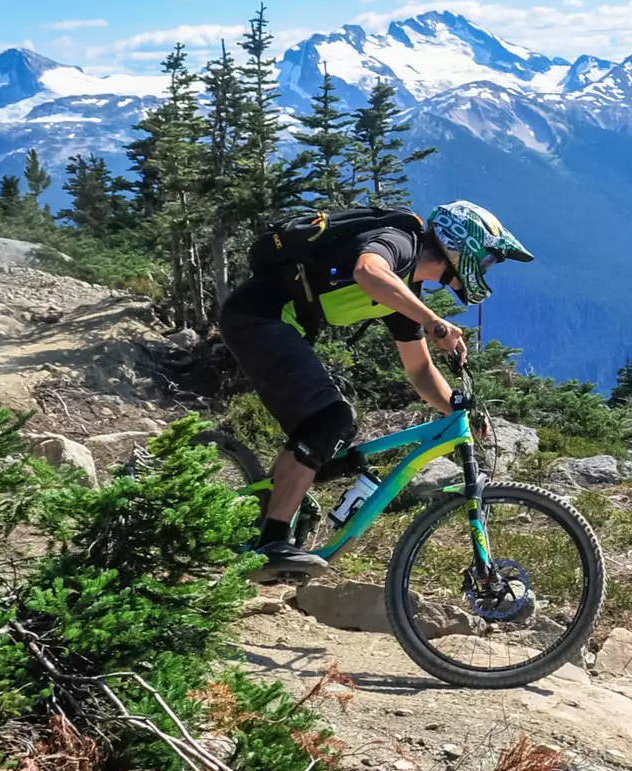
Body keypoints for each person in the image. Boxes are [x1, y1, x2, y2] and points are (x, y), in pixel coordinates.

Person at [217, 200, 533, 580]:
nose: (485, 271)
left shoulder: (404, 293)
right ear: (462, 247)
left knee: (330, 442)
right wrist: (434, 322)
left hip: (280, 328)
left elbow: (419, 371)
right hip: (257, 318)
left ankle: (278, 513)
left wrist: (457, 411)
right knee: (329, 420)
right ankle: (272, 542)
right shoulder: (400, 242)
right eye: (487, 261)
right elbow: (368, 271)